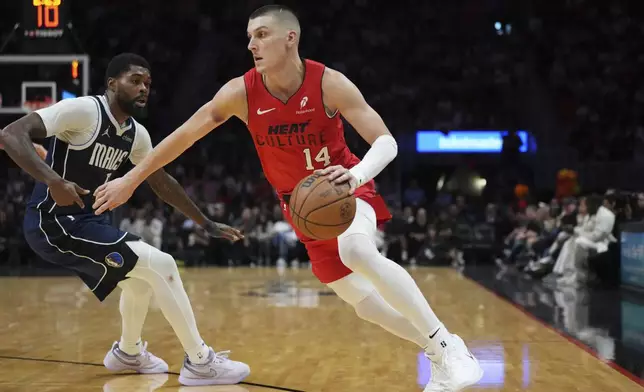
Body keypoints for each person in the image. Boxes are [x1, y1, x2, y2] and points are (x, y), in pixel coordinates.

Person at [92, 7, 483, 391]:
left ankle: (450, 348)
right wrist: (130, 178)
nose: (251, 44)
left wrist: (356, 174)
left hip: (345, 187)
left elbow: (386, 141)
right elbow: (183, 135)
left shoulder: (328, 83)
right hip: (301, 208)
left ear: (289, 38)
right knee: (363, 304)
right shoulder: (240, 93)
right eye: (249, 37)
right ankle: (438, 350)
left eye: (261, 34)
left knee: (358, 252)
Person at [0, 53, 250, 387]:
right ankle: (200, 361)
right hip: (51, 222)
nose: (144, 88)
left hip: (83, 221)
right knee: (161, 264)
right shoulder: (85, 110)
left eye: (147, 83)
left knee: (139, 281)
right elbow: (11, 134)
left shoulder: (136, 135)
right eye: (135, 80)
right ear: (112, 83)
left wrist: (206, 223)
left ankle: (127, 353)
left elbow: (162, 183)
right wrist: (53, 181)